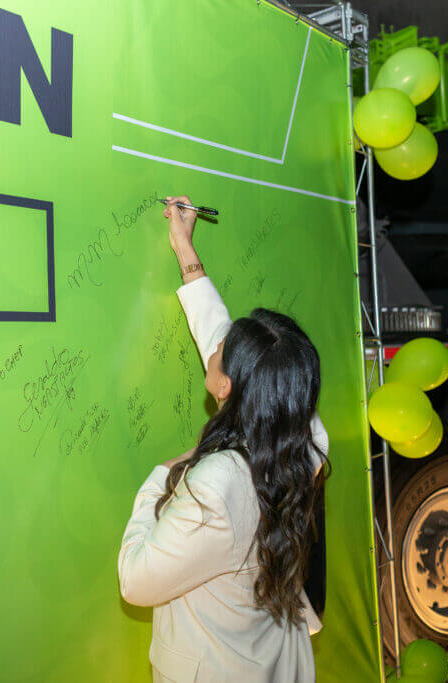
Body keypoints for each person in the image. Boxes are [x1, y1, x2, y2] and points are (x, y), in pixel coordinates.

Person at [118, 196, 330, 683]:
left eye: (222, 353)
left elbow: (135, 580)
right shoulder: (305, 437)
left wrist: (164, 475)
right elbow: (223, 337)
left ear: (226, 387)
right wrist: (184, 249)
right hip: (277, 662)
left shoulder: (216, 486)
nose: (215, 346)